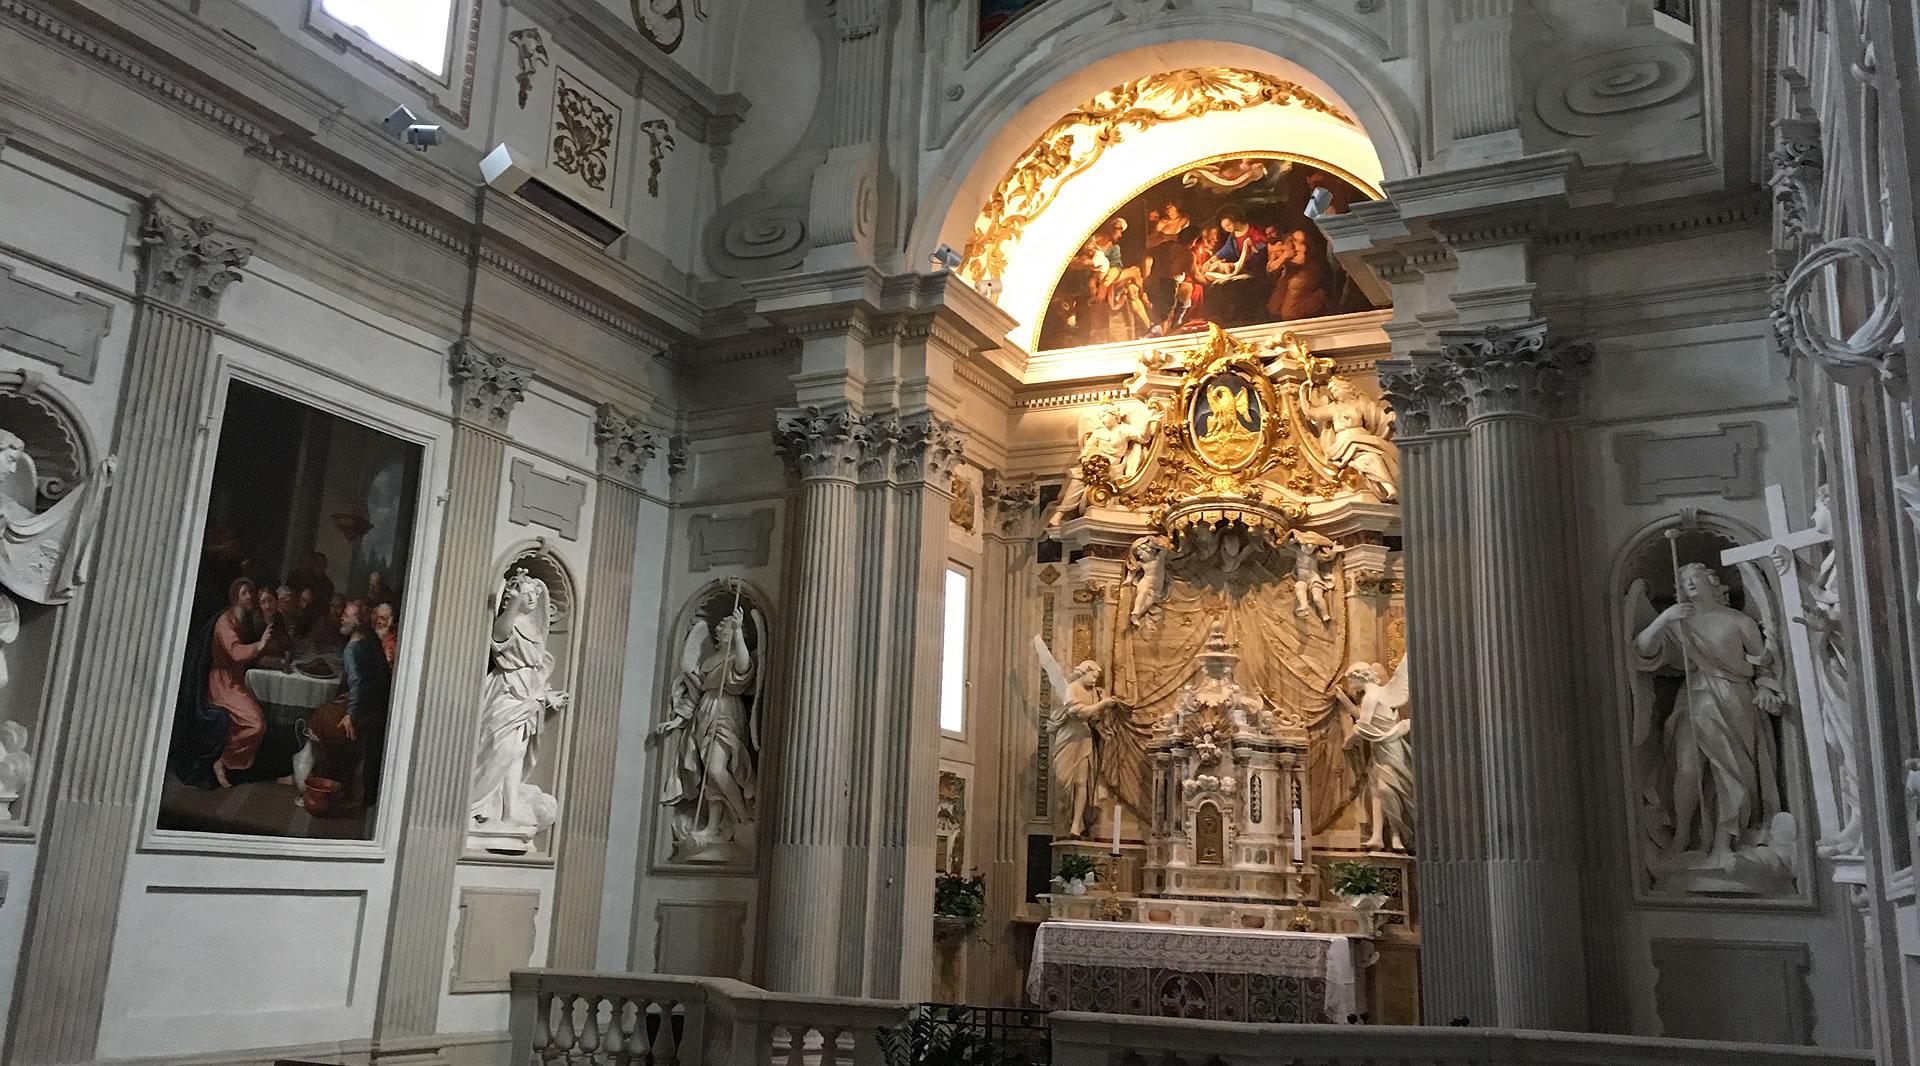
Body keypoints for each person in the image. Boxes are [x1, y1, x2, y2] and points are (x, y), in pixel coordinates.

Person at [1630, 563, 1787, 857]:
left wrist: (1766, 689)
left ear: (1713, 582)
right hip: (1694, 698)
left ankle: (1726, 842)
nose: (1688, 583)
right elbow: (1642, 651)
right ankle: (1682, 835)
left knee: (1732, 771)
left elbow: (1764, 664)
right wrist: (1664, 619)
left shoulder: (1739, 621)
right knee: (1686, 768)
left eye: (1695, 577)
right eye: (1683, 581)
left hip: (1734, 699)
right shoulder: (1679, 623)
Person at [655, 589, 761, 855]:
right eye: (723, 627)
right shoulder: (710, 660)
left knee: (717, 767)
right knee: (708, 774)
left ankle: (743, 816)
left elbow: (744, 670)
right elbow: (696, 693)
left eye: (729, 627)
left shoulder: (737, 655)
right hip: (705, 711)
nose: (723, 628)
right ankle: (713, 826)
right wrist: (677, 720)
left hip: (727, 710)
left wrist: (738, 634)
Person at [469, 571, 569, 849]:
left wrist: (547, 696)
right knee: (500, 750)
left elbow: (536, 670)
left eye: (536, 594)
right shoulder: (509, 621)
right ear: (512, 596)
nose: (533, 598)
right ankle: (474, 804)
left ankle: (510, 809)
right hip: (505, 692)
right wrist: (512, 603)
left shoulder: (534, 629)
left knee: (517, 754)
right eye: (527, 593)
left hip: (527, 697)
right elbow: (498, 637)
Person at [305, 598, 391, 810]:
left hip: (363, 711)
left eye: (347, 615)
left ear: (357, 622)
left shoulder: (352, 649)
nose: (342, 618)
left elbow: (358, 683)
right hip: (376, 708)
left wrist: (350, 714)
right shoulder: (370, 640)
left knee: (319, 722)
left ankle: (325, 782)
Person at [208, 577, 276, 788]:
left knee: (261, 717)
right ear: (235, 596)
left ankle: (236, 766)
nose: (250, 597)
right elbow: (236, 653)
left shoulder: (243, 620)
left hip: (236, 679)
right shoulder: (225, 622)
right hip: (222, 682)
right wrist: (260, 645)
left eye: (251, 592)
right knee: (256, 723)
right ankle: (224, 760)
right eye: (245, 592)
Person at [1267, 230, 1330, 320]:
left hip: (1305, 273)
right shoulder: (1286, 244)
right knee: (1274, 308)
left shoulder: (1302, 249)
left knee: (1289, 314)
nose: (1294, 244)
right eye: (1293, 239)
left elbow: (1301, 261)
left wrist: (1287, 256)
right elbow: (1271, 267)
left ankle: (1319, 298)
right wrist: (1282, 256)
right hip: (1289, 273)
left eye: (1298, 241)